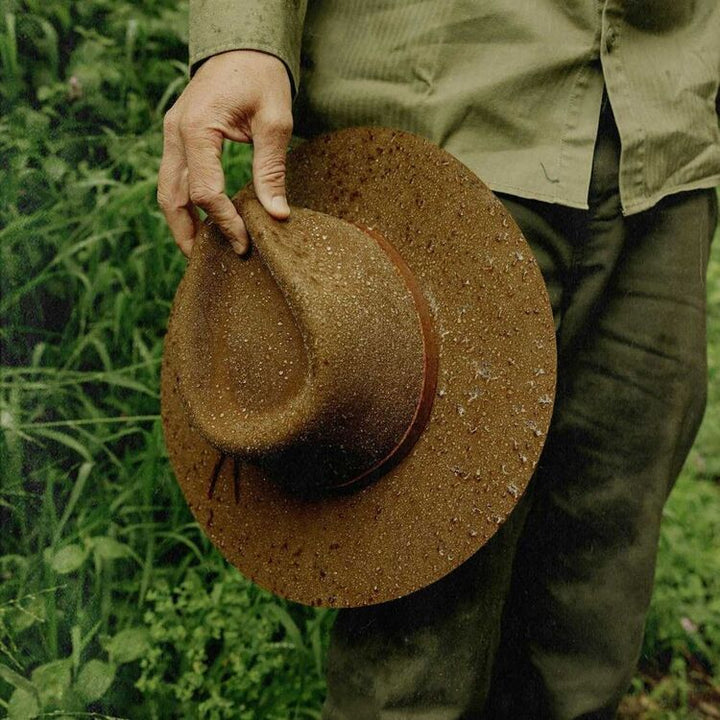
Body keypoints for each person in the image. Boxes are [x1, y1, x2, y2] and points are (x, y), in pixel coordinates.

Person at [157, 2, 720, 718]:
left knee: (590, 615)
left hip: (665, 138)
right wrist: (242, 41)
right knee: (417, 651)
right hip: (449, 125)